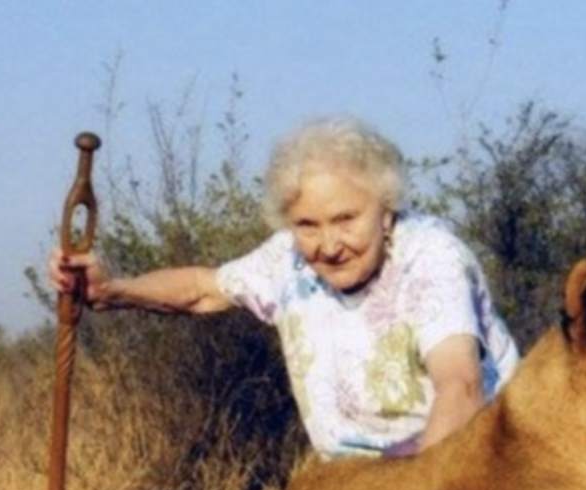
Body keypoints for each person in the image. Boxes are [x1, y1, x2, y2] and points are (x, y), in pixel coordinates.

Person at [49, 117, 519, 460]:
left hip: (468, 463)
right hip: (358, 483)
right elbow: (200, 289)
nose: (329, 244)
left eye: (346, 219)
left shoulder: (432, 257)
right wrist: (110, 290)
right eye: (308, 224)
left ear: (387, 208)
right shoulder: (287, 259)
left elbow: (460, 386)